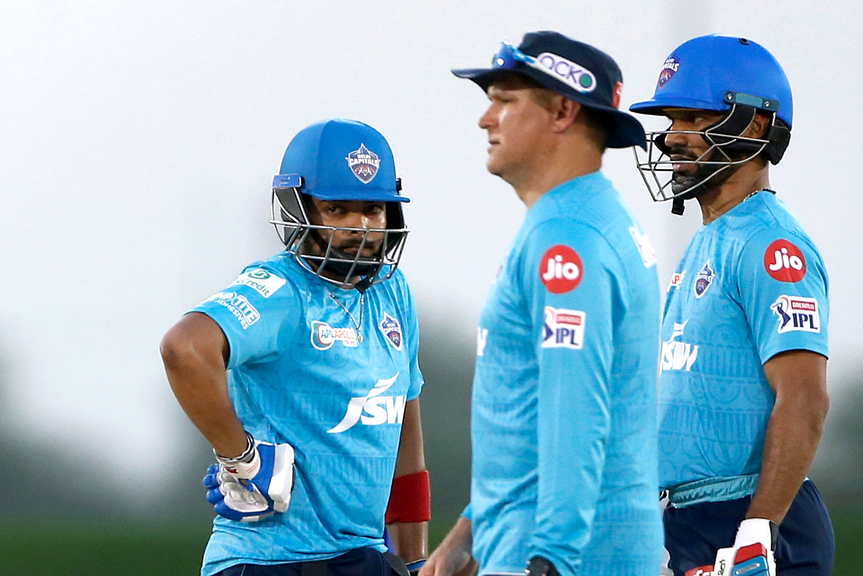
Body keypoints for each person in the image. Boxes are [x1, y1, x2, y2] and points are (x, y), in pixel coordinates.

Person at [422, 31, 663, 576]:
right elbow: (530, 419)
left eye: (505, 101)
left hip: (559, 555)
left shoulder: (566, 239)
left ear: (562, 110)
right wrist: (471, 533)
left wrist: (550, 558)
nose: (486, 120)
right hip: (556, 544)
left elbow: (574, 407)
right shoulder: (591, 218)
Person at [160, 118, 430, 576]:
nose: (360, 226)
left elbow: (405, 442)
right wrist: (240, 457)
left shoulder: (394, 292)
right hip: (270, 561)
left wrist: (416, 560)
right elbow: (184, 349)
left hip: (359, 557)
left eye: (373, 209)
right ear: (299, 207)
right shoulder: (281, 289)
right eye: (337, 209)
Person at [628, 35, 834, 576]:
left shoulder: (771, 246)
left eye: (693, 118)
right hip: (691, 520)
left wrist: (757, 531)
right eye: (670, 121)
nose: (673, 138)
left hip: (747, 522)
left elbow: (805, 399)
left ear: (755, 126)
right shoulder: (711, 238)